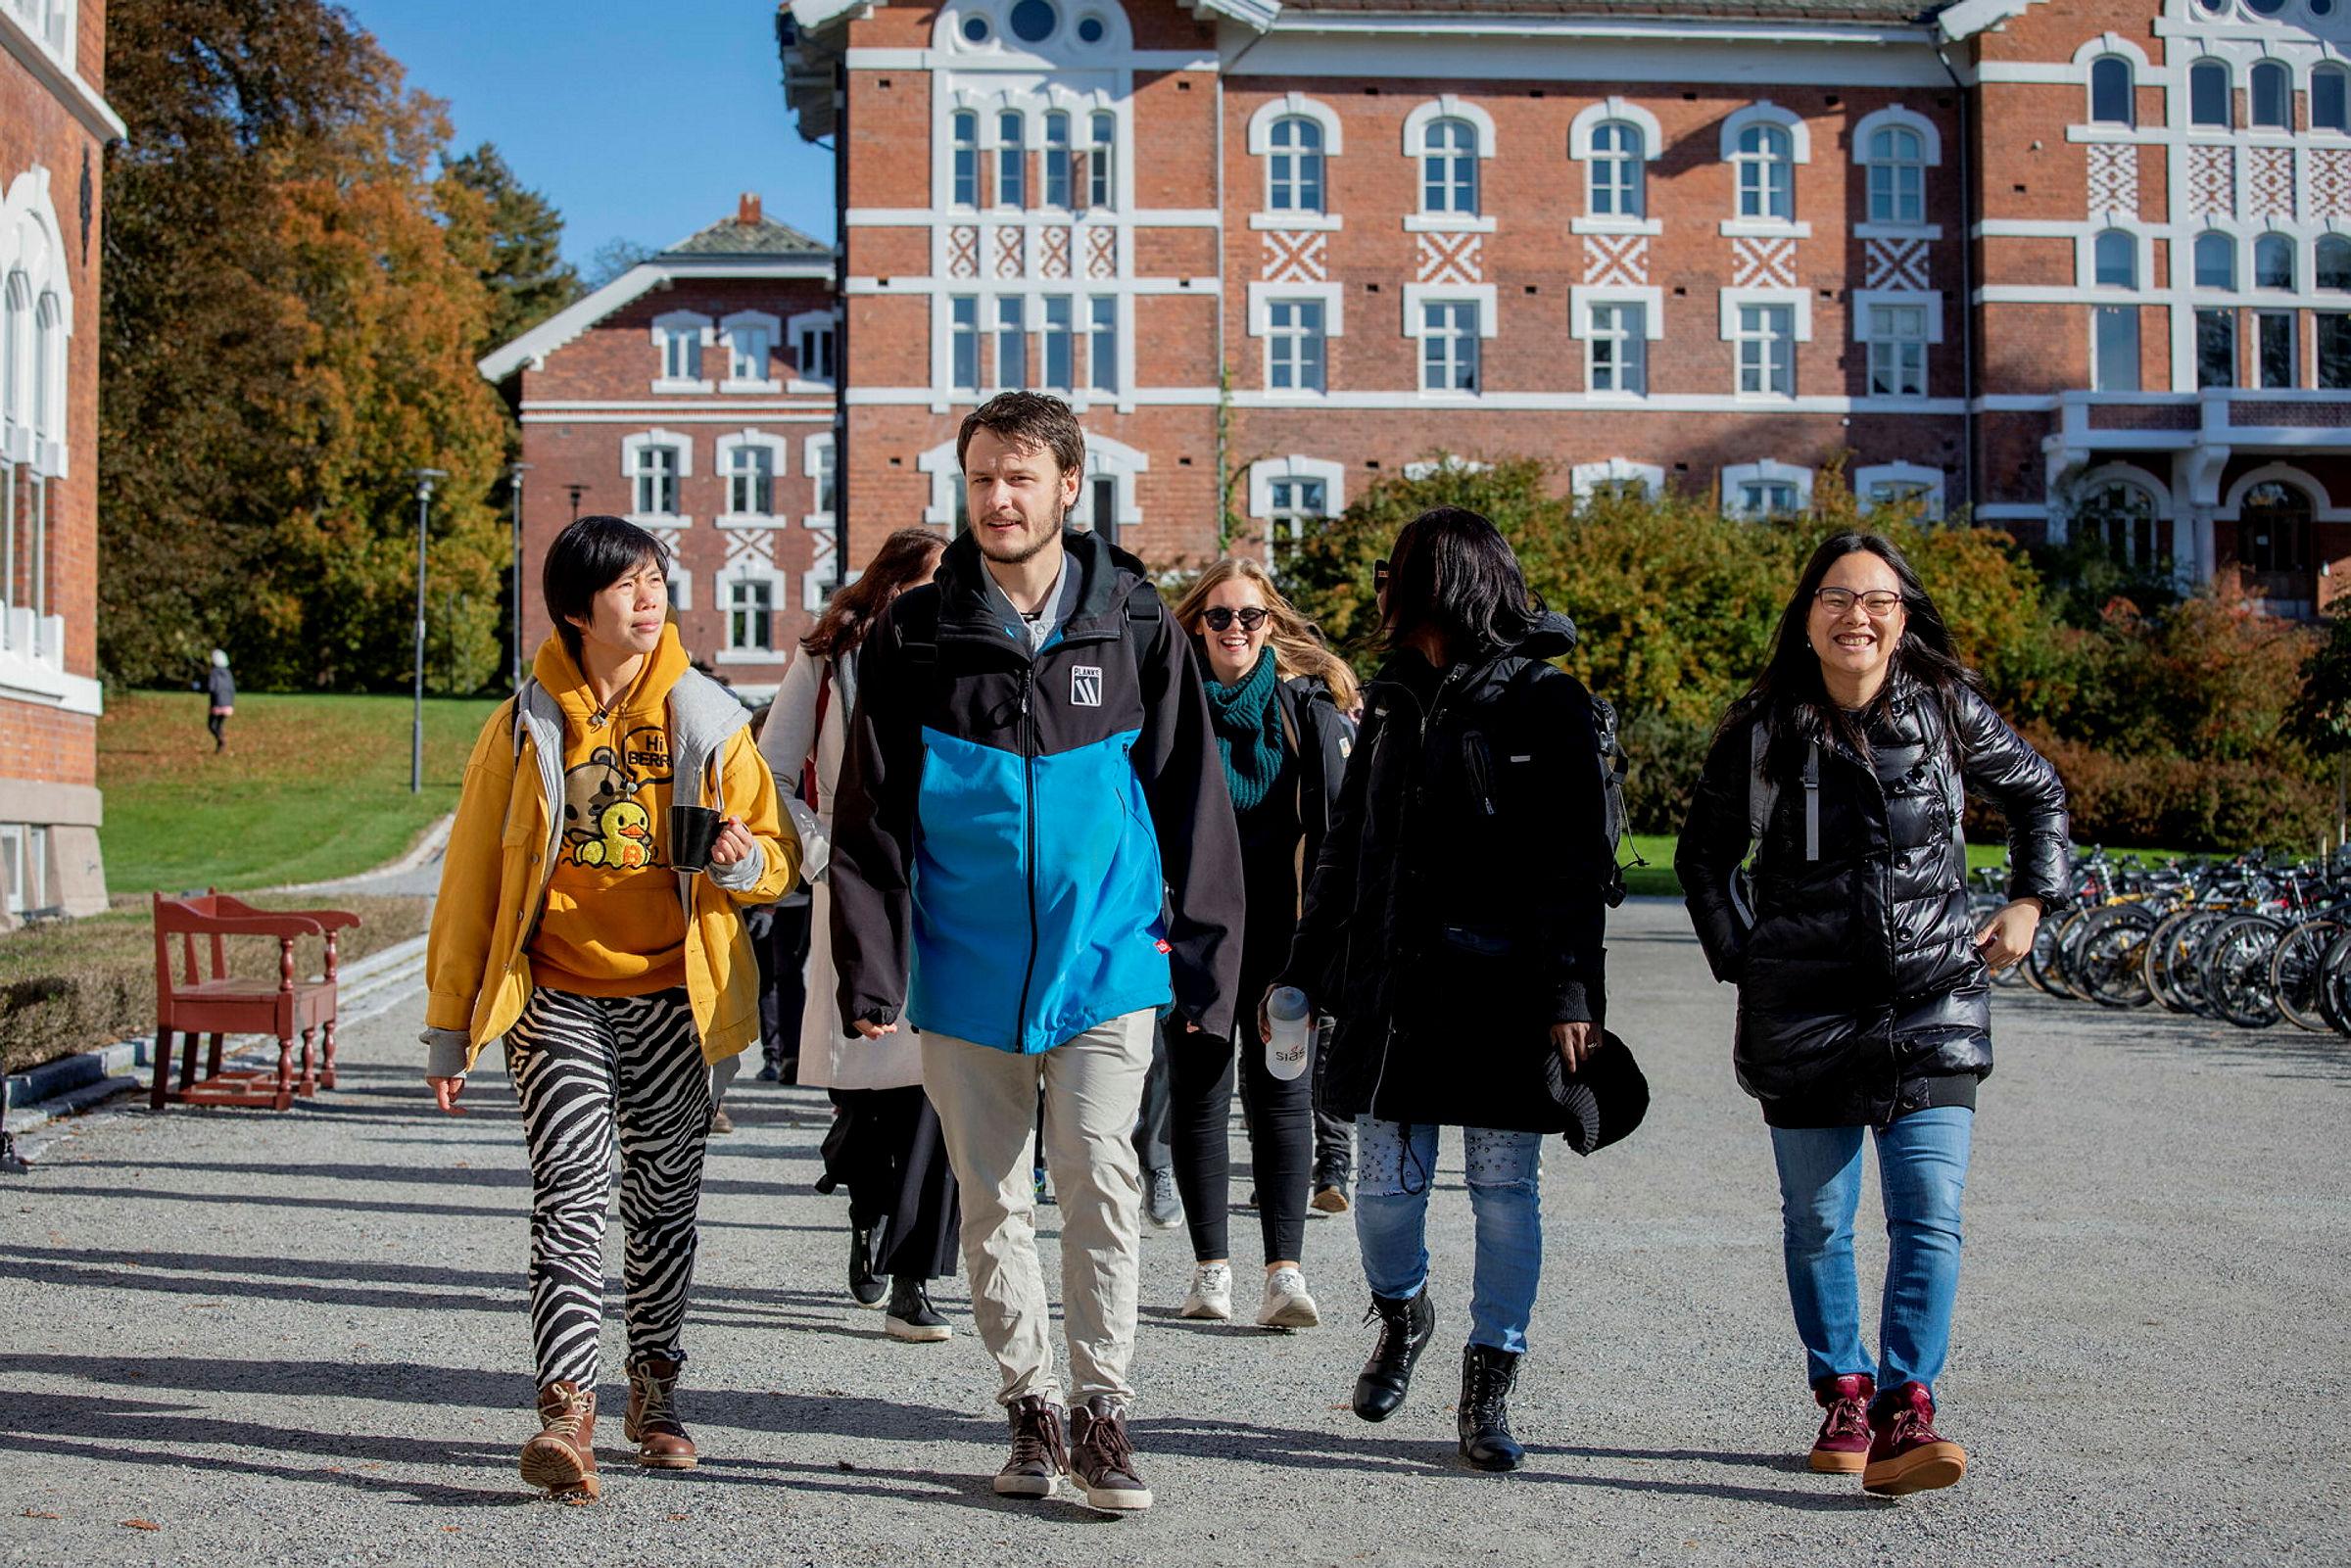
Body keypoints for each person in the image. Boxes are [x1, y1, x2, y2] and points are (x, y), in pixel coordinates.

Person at [829, 391, 1242, 1514]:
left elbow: (1191, 800)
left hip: (1106, 957)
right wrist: (872, 970)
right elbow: (869, 820)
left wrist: (1208, 965)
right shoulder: (913, 632)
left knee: (1104, 1176)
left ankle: (1106, 1408)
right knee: (993, 1198)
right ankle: (1031, 1406)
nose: (998, 499)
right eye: (980, 479)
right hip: (966, 968)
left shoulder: (1135, 617)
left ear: (1071, 484)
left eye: (1020, 477)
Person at [1675, 530, 2068, 1497]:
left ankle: (1907, 1403)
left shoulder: (1946, 708)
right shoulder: (1764, 726)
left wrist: (2028, 901)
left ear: (1902, 615)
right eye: (1839, 598)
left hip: (1932, 999)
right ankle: (1845, 1387)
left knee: (1929, 1210)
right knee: (1818, 1218)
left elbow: (2040, 794)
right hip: (1802, 1012)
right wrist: (1747, 960)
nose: (1859, 615)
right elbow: (1702, 856)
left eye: (1878, 600)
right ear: (1807, 616)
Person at [419, 516, 796, 1501]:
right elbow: (466, 881)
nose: (648, 595)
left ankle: (655, 1388)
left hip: (677, 996)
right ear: (577, 608)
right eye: (626, 583)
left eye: (655, 578)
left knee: (664, 1202)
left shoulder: (708, 718)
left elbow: (779, 862)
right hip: (555, 998)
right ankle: (567, 1412)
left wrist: (738, 856)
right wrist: (449, 1021)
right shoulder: (524, 724)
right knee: (571, 1196)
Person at [1271, 506, 1614, 1474]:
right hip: (1395, 990)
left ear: (1441, 583)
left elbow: (1574, 864)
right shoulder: (1392, 699)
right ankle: (1403, 1311)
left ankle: (1490, 1379)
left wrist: (1571, 992)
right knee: (1383, 1196)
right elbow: (1346, 843)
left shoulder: (1548, 701)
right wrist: (1301, 968)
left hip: (1506, 993)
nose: (1382, 587)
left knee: (1505, 1193)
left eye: (1397, 571)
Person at [758, 525, 963, 1344]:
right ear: (892, 584)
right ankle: (865, 1202)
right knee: (864, 1095)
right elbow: (766, 773)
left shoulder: (965, 650)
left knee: (941, 1090)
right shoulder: (828, 658)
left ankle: (915, 1276)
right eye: (934, 582)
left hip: (948, 890)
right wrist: (820, 854)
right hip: (858, 889)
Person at [1162, 557, 1357, 1329]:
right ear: (1198, 625)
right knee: (1200, 1092)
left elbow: (1340, 832)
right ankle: (1211, 1270)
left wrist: (1332, 941)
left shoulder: (1304, 707)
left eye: (1249, 616)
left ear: (1271, 624)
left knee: (1280, 1096)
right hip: (1196, 932)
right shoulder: (1173, 707)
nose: (1235, 629)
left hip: (1284, 933)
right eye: (1219, 617)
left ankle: (1286, 1272)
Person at [203, 649, 234, 753]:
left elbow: (210, 687)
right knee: (219, 725)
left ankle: (221, 740)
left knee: (212, 725)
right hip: (228, 705)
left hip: (217, 704)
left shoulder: (214, 673)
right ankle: (220, 743)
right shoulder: (228, 673)